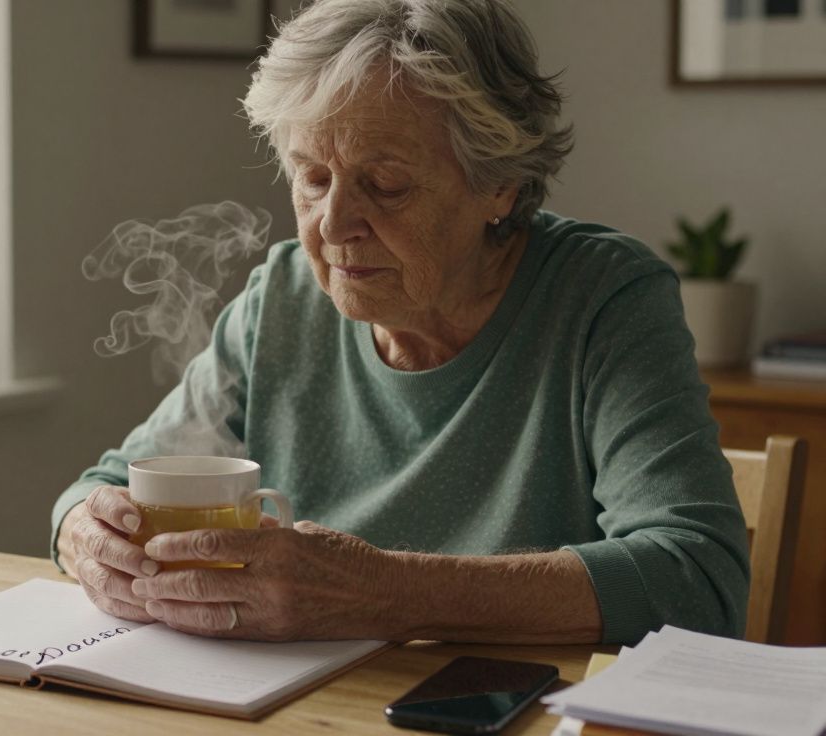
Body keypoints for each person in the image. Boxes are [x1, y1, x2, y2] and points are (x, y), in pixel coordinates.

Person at [50, 0, 749, 645]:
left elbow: (697, 578)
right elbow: (100, 489)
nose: (333, 225)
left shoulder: (602, 298)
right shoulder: (283, 298)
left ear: (499, 185)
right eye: (312, 178)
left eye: (385, 184)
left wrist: (384, 591)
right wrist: (88, 535)